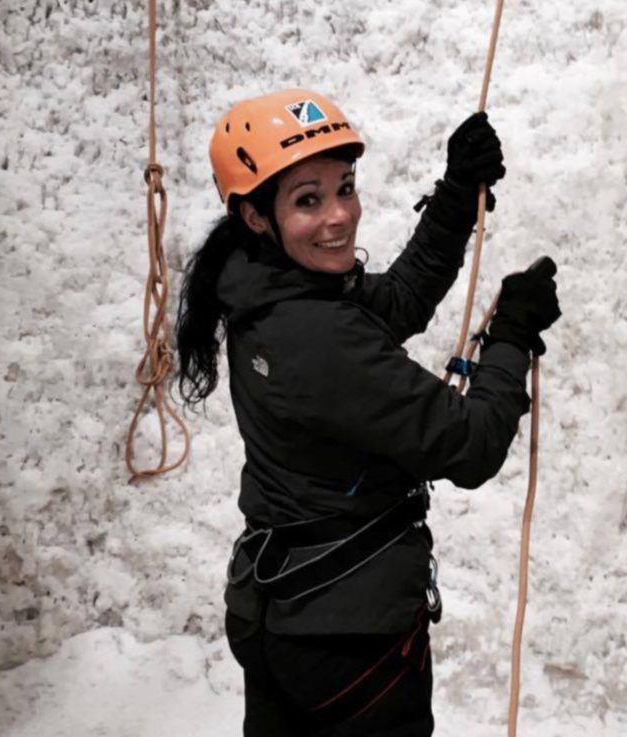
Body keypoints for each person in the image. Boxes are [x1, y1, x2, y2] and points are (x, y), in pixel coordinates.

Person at [175, 88, 561, 736]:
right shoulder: (317, 337)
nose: (339, 216)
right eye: (308, 199)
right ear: (255, 213)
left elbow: (401, 298)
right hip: (349, 639)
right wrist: (512, 337)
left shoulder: (264, 286)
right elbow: (470, 446)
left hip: (285, 614)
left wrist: (458, 192)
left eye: (344, 187)